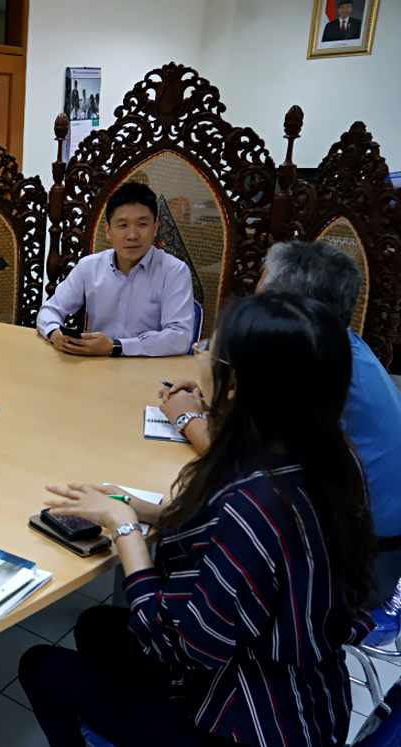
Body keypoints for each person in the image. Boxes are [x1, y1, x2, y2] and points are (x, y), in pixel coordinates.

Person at [21, 293, 376, 747]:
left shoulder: (252, 504)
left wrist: (126, 529)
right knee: (95, 623)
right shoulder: (328, 454)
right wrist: (146, 510)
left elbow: (183, 645)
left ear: (236, 384)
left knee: (40, 666)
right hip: (310, 698)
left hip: (247, 719)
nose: (200, 353)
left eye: (211, 349)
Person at [160, 240, 401, 605]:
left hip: (352, 563)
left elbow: (246, 466)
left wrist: (187, 417)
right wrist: (221, 394)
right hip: (339, 533)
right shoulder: (333, 351)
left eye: (261, 297)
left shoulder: (323, 374)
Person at [37, 181, 194, 357]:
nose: (132, 235)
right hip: (96, 366)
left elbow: (179, 338)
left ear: (155, 228)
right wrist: (55, 333)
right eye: (123, 225)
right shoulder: (89, 267)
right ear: (108, 231)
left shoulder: (174, 271)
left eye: (142, 225)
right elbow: (50, 310)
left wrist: (117, 347)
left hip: (151, 370)